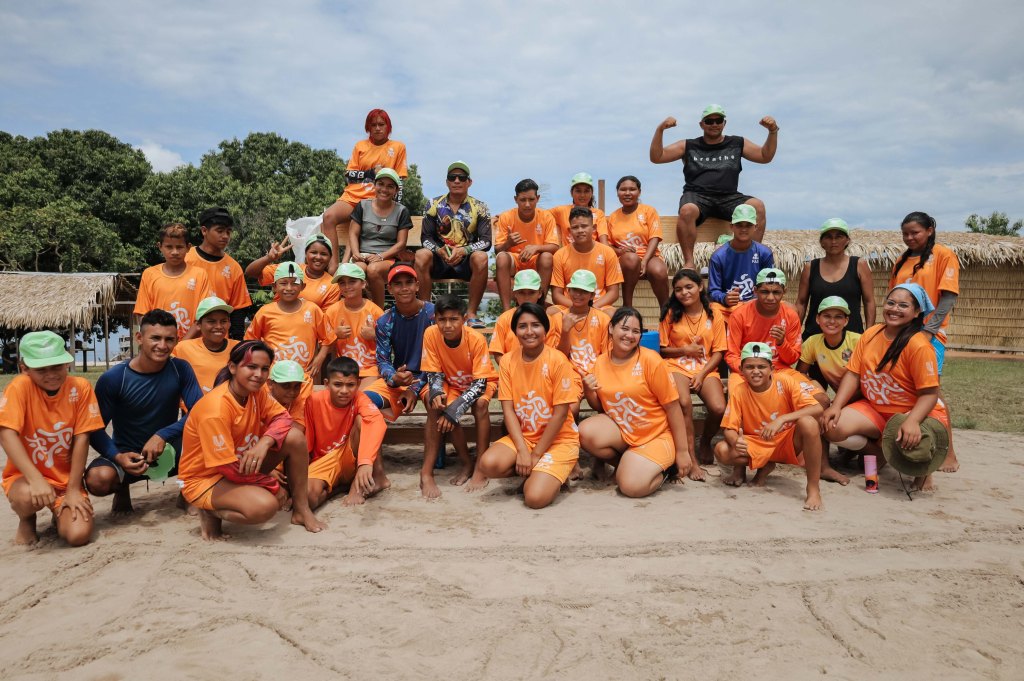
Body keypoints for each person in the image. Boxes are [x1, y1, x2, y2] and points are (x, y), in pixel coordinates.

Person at [177, 340, 325, 540]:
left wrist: (265, 443)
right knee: (265, 507)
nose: (259, 374)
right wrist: (271, 483)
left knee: (295, 437)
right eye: (251, 367)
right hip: (206, 478)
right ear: (232, 367)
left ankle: (301, 510)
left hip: (240, 463)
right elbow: (227, 468)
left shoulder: (257, 392)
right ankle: (209, 510)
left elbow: (283, 418)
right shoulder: (216, 409)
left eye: (264, 369)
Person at [821, 284, 949, 492]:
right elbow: (853, 374)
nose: (894, 309)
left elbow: (929, 394)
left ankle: (924, 472)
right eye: (891, 302)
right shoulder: (871, 334)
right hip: (875, 409)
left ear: (916, 312)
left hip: (909, 412)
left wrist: (913, 421)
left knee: (917, 445)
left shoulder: (919, 346)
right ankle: (879, 450)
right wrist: (836, 406)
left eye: (903, 305)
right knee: (831, 426)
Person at [86, 309, 204, 514]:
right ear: (139, 338)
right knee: (98, 480)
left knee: (208, 435)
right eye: (155, 338)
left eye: (169, 339)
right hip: (128, 454)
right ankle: (122, 488)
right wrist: (117, 456)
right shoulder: (114, 378)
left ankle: (187, 491)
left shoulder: (180, 368)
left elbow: (200, 413)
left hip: (170, 450)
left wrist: (163, 435)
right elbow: (94, 430)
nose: (163, 345)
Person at [0, 331, 103, 546]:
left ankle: (60, 513)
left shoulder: (81, 387)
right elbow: (6, 433)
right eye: (41, 370)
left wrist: (73, 490)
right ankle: (27, 519)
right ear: (24, 368)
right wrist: (36, 479)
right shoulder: (20, 387)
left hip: (65, 481)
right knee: (27, 497)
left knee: (78, 535)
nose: (51, 374)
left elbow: (82, 438)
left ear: (66, 363)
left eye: (57, 366)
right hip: (27, 479)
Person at [475, 303, 580, 509]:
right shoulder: (507, 361)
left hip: (560, 439)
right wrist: (523, 450)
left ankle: (551, 474)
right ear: (514, 331)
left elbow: (560, 415)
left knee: (534, 498)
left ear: (545, 329)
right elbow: (508, 410)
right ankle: (540, 472)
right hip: (526, 437)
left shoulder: (558, 360)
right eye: (523, 326)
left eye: (536, 325)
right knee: (488, 464)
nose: (529, 332)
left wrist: (536, 454)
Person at [649, 104, 779, 268]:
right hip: (698, 196)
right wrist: (660, 129)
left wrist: (773, 131)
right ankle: (689, 262)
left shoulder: (737, 143)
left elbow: (764, 156)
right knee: (687, 210)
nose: (714, 124)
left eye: (718, 120)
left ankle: (750, 257)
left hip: (728, 197)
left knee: (757, 206)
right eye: (709, 121)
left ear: (724, 123)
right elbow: (657, 156)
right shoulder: (688, 145)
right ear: (701, 124)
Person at [580, 307, 691, 497]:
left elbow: (673, 407)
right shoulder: (600, 362)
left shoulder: (651, 360)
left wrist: (683, 451)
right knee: (584, 432)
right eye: (624, 328)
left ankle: (664, 469)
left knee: (631, 487)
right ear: (611, 329)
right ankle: (630, 462)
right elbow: (600, 406)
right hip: (625, 431)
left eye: (636, 331)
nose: (629, 335)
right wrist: (589, 390)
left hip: (655, 435)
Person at [888, 211, 960, 473]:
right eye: (905, 233)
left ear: (930, 230)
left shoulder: (942, 255)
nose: (910, 237)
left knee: (932, 392)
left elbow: (948, 297)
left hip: (931, 334)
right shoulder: (901, 260)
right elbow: (894, 298)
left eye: (915, 232)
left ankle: (948, 451)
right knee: (906, 389)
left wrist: (929, 331)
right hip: (902, 335)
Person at [715, 342, 824, 510]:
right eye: (750, 367)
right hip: (758, 443)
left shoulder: (785, 381)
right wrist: (736, 441)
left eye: (761, 366)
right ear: (742, 370)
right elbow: (729, 428)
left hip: (786, 441)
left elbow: (817, 408)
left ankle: (813, 488)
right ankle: (765, 465)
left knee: (808, 423)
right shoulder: (739, 390)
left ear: (771, 369)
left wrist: (782, 419)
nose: (756, 371)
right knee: (722, 450)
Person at [421, 295, 498, 497]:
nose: (447, 325)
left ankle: (480, 467)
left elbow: (480, 382)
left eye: (453, 319)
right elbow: (434, 373)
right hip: (452, 383)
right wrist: (437, 392)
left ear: (464, 319)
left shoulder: (476, 338)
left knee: (480, 405)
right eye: (442, 319)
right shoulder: (430, 334)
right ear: (435, 319)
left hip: (480, 383)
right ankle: (465, 463)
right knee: (439, 405)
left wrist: (455, 410)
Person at [321, 109, 408, 270]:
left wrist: (397, 209)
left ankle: (353, 268)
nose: (377, 128)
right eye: (373, 125)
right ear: (368, 127)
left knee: (361, 229)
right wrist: (370, 173)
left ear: (388, 126)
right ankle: (333, 268)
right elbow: (349, 176)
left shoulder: (398, 147)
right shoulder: (360, 146)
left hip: (379, 201)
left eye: (381, 124)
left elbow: (400, 180)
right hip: (353, 197)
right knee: (328, 216)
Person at [659, 269, 727, 476]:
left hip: (705, 368)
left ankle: (705, 440)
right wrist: (684, 350)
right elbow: (661, 349)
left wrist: (701, 375)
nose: (684, 293)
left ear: (700, 287)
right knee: (684, 403)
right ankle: (692, 458)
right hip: (676, 365)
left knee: (718, 407)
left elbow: (719, 351)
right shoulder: (670, 313)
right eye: (678, 289)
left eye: (689, 287)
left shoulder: (714, 312)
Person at [303, 357, 389, 508]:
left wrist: (365, 462)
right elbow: (307, 441)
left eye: (350, 385)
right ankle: (338, 489)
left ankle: (356, 484)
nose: (344, 391)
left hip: (350, 457)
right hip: (324, 460)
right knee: (308, 498)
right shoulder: (313, 401)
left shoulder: (360, 398)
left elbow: (377, 422)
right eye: (338, 384)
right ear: (326, 384)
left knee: (363, 420)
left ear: (358, 384)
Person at [414, 161, 491, 328]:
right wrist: (439, 250)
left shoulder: (480, 207)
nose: (457, 181)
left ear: (469, 182)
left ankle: (471, 314)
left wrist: (465, 250)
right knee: (421, 254)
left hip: (466, 261)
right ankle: (427, 312)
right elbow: (425, 238)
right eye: (452, 177)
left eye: (462, 178)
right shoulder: (433, 204)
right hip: (440, 258)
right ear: (447, 181)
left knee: (482, 257)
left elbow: (486, 241)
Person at [795, 296, 861, 486]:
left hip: (863, 399)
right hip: (842, 400)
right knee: (819, 405)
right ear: (817, 319)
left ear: (846, 320)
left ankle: (862, 451)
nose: (832, 321)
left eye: (838, 317)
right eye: (827, 316)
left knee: (868, 462)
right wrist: (813, 385)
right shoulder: (813, 342)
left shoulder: (858, 341)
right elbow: (800, 375)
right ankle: (823, 466)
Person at [363, 264, 435, 420]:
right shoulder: (385, 321)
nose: (404, 288)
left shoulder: (433, 315)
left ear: (417, 286)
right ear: (389, 289)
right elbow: (383, 361)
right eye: (398, 284)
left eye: (409, 282)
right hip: (401, 378)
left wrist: (414, 389)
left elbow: (439, 360)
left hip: (431, 376)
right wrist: (394, 377)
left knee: (434, 401)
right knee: (362, 402)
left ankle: (438, 446)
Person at [243, 262, 335, 383]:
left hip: (303, 377)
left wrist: (319, 359)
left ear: (303, 286)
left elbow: (328, 338)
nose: (289, 288)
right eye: (283, 283)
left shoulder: (313, 310)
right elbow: (250, 342)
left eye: (294, 283)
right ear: (274, 286)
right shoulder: (265, 312)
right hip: (273, 378)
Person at [344, 168, 414, 307]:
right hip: (362, 255)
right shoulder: (362, 206)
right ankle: (356, 310)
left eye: (390, 186)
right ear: (374, 185)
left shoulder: (402, 211)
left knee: (373, 270)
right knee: (357, 271)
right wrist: (356, 253)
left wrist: (381, 256)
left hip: (387, 257)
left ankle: (378, 311)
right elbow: (353, 233)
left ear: (396, 191)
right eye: (381, 184)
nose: (384, 189)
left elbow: (401, 244)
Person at [796, 218, 875, 338]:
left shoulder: (859, 265)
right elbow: (801, 302)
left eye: (839, 237)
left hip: (850, 337)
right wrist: (794, 333)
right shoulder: (810, 267)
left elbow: (869, 301)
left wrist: (869, 334)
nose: (833, 241)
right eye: (828, 237)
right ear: (821, 242)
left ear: (847, 240)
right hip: (815, 336)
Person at [134, 223, 211, 340]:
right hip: (160, 346)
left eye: (179, 247)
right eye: (169, 247)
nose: (174, 252)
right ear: (160, 246)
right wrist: (159, 340)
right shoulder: (149, 274)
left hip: (191, 346)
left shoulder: (200, 275)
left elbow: (203, 316)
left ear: (188, 247)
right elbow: (143, 314)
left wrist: (181, 345)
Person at [184, 207, 253, 338]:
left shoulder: (234, 267)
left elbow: (238, 310)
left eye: (228, 232)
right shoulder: (186, 259)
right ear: (204, 230)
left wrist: (236, 345)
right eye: (220, 231)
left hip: (217, 342)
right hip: (183, 339)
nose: (225, 236)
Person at [494, 179, 559, 310]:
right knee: (501, 257)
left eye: (531, 199)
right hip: (515, 261)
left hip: (536, 261)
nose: (527, 204)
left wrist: (536, 248)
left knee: (547, 257)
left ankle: (540, 307)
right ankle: (506, 310)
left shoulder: (546, 216)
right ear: (515, 199)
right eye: (523, 200)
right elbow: (497, 249)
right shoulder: (506, 217)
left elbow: (555, 246)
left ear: (538, 198)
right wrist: (509, 243)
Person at [606, 176, 669, 308]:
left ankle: (666, 310)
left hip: (649, 255)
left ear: (639, 192)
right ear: (617, 193)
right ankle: (627, 305)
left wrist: (645, 261)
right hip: (625, 260)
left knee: (658, 271)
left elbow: (655, 237)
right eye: (623, 190)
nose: (627, 193)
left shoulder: (648, 211)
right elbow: (607, 244)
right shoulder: (612, 217)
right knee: (631, 258)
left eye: (632, 189)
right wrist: (619, 251)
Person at [708, 204, 775, 322]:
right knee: (712, 308)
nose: (744, 229)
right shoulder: (718, 256)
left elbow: (770, 285)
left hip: (757, 306)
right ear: (731, 227)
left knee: (788, 309)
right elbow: (713, 291)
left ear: (755, 227)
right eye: (739, 225)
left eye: (748, 225)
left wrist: (755, 300)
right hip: (729, 308)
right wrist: (725, 298)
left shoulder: (764, 253)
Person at [550, 207, 623, 311]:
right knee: (551, 312)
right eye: (575, 227)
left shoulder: (608, 252)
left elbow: (613, 292)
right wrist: (577, 307)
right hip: (570, 305)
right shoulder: (560, 255)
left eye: (584, 226)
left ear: (593, 228)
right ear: (570, 231)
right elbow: (557, 295)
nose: (580, 231)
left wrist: (592, 308)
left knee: (612, 313)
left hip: (598, 305)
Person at [325, 263, 385, 388]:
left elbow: (388, 345)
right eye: (342, 283)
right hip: (342, 368)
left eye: (352, 281)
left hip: (370, 369)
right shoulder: (332, 311)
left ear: (363, 284)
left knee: (364, 397)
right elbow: (325, 349)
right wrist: (335, 335)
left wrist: (375, 335)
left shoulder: (375, 311)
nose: (347, 286)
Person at [244, 233, 340, 310]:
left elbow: (326, 319)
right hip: (276, 324)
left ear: (330, 257)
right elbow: (250, 273)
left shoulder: (332, 286)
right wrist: (268, 258)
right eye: (314, 252)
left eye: (323, 254)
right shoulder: (290, 268)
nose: (318, 257)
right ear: (306, 254)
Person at [556, 270, 610, 404]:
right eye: (575, 290)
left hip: (597, 372)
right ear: (568, 291)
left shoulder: (603, 319)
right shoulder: (557, 318)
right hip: (570, 373)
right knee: (571, 407)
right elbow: (559, 357)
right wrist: (565, 330)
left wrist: (594, 374)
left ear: (592, 295)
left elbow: (606, 354)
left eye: (584, 291)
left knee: (608, 399)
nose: (578, 294)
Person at [489, 269, 563, 365]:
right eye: (521, 292)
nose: (526, 297)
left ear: (539, 293)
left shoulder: (548, 319)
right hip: (512, 373)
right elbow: (498, 353)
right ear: (515, 293)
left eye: (531, 292)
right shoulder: (504, 318)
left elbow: (550, 353)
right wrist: (512, 372)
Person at [172, 297, 240, 394]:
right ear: (198, 324)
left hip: (227, 407)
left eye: (223, 321)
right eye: (211, 321)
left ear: (229, 323)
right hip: (192, 407)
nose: (219, 326)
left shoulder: (239, 349)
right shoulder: (182, 348)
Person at [549, 172, 610, 246]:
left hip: (592, 255)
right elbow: (540, 215)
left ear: (591, 193)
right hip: (569, 255)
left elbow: (604, 242)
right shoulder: (561, 211)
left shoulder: (598, 214)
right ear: (571, 193)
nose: (582, 195)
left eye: (586, 191)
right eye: (578, 191)